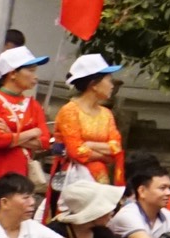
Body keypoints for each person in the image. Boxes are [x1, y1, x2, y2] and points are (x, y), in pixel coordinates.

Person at [0, 45, 49, 220]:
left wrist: (12, 135)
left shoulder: (33, 104)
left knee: (17, 218)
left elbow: (44, 141)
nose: (36, 76)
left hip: (21, 168)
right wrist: (31, 132)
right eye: (30, 70)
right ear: (13, 73)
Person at [53, 53, 127, 196]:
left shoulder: (106, 113)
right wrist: (105, 156)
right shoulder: (69, 111)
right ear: (94, 84)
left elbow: (117, 146)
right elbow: (76, 151)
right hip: (74, 179)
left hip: (100, 178)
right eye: (109, 80)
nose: (112, 86)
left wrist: (90, 145)